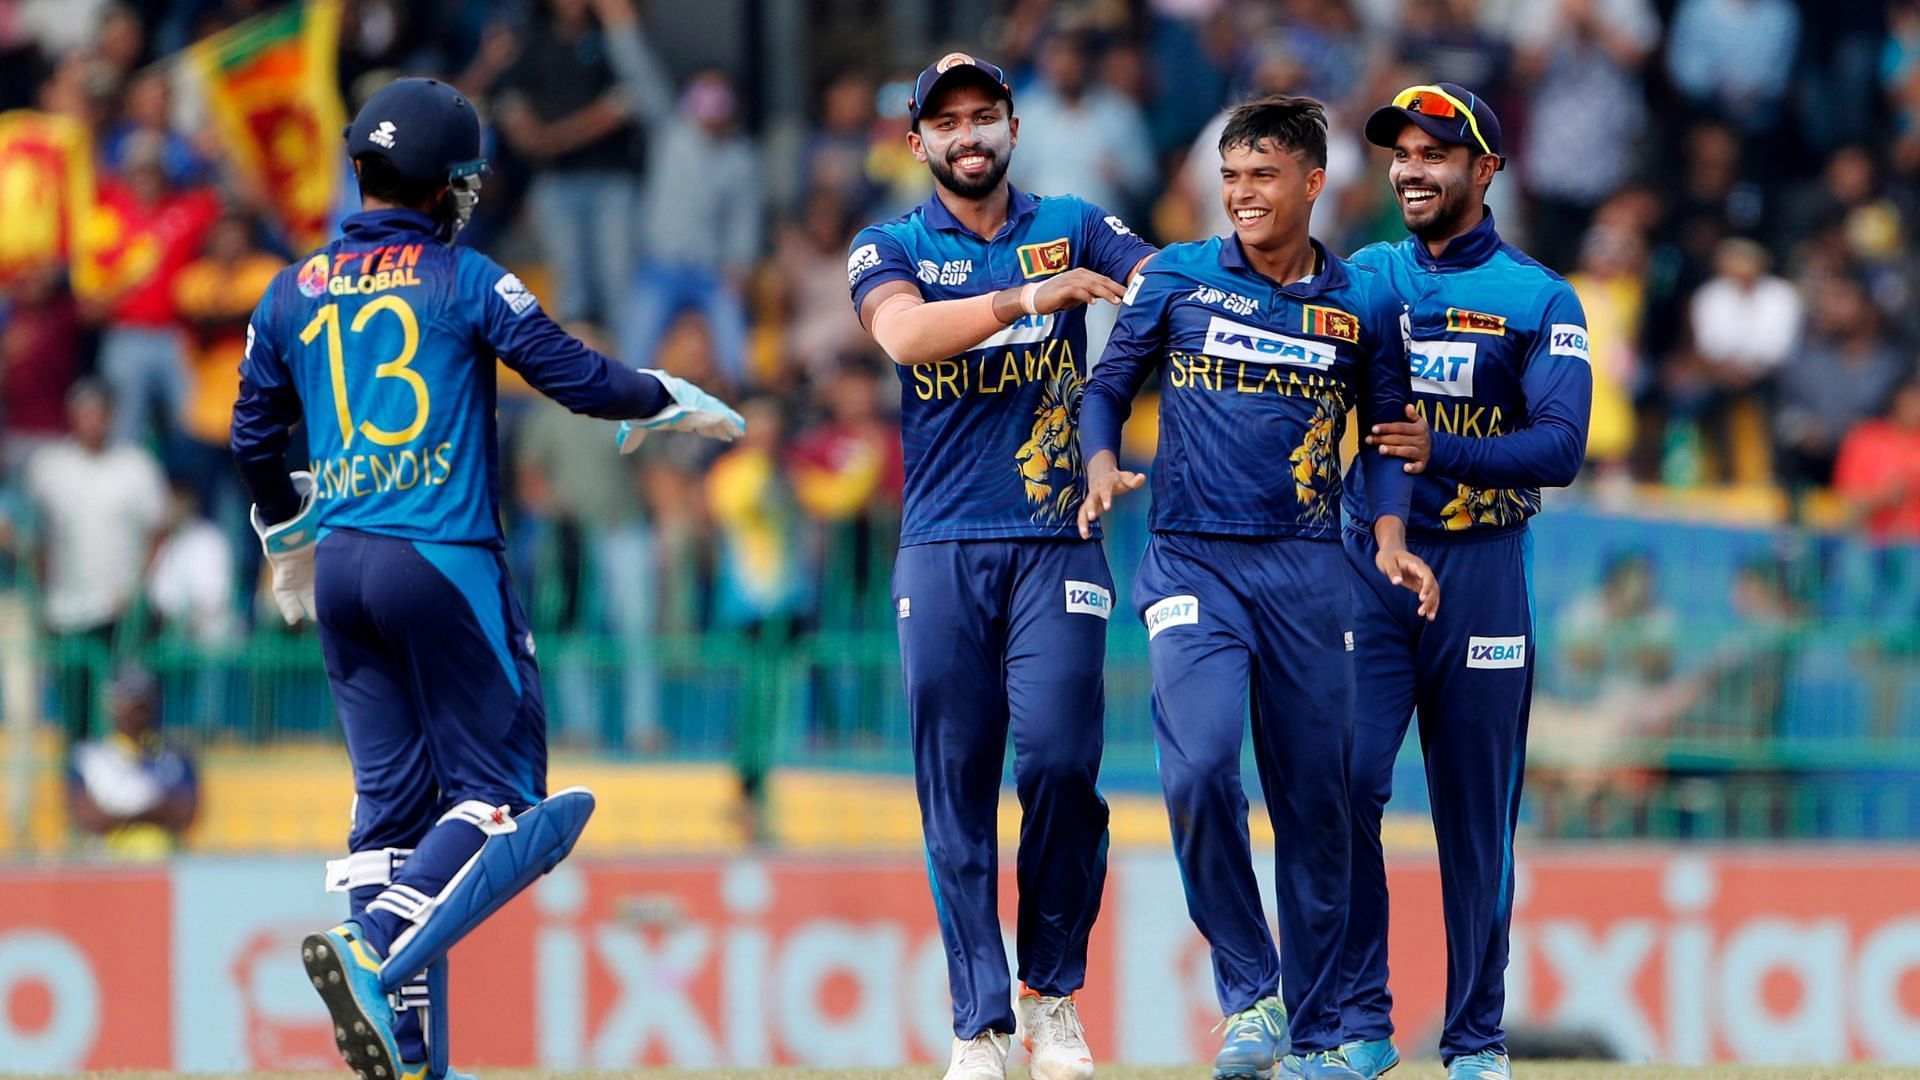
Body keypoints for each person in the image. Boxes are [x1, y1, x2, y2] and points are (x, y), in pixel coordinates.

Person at [230, 77, 742, 1080]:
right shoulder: (462, 278)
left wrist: (285, 533)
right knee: (501, 797)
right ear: (440, 186)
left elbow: (253, 435)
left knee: (391, 814)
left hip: (342, 571)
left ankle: (409, 1057)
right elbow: (571, 374)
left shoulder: (289, 290)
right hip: (443, 563)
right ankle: (372, 947)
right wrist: (666, 398)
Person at [1078, 96, 1434, 1080]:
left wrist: (1393, 535)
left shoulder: (1364, 305)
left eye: (1261, 177)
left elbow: (1393, 440)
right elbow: (1107, 386)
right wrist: (1101, 462)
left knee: (1316, 804)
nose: (1240, 195)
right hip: (1192, 559)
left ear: (1313, 185)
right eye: (1230, 177)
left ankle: (1323, 1035)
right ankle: (1249, 994)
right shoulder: (1180, 278)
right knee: (1196, 771)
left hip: (1312, 571)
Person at [844, 52, 1155, 1080]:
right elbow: (903, 337)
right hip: (940, 547)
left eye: (985, 117)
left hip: (1056, 539)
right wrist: (1034, 299)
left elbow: (1157, 281)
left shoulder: (1074, 218)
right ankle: (977, 1025)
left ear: (1013, 128)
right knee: (957, 788)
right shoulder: (888, 244)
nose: (967, 136)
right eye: (948, 123)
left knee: (1063, 761)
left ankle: (1048, 998)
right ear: (917, 141)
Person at [1336, 83, 1593, 1080]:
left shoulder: (1540, 298)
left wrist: (1438, 446)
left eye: (1437, 152)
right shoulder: (1362, 277)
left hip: (1484, 575)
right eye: (1402, 151)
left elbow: (1561, 447)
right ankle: (1362, 1022)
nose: (1412, 168)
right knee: (1346, 784)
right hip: (1372, 573)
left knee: (1475, 814)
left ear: (1486, 170)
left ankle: (1476, 1041)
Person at [25, 379, 168, 745]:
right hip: (65, 608)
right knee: (74, 711)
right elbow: (37, 536)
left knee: (122, 707)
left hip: (117, 609)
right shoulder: (49, 468)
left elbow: (157, 532)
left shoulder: (135, 467)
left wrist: (138, 587)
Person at [65, 666, 198, 860]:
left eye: (143, 702)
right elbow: (89, 818)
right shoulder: (89, 757)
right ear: (112, 703)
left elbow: (185, 814)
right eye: (130, 702)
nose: (138, 710)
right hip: (107, 869)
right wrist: (156, 810)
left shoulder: (176, 758)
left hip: (162, 867)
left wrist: (120, 812)